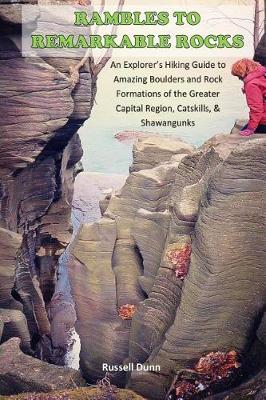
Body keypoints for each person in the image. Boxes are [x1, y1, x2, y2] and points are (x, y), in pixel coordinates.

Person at [231, 58, 266, 136]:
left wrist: (250, 129)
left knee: (239, 136)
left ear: (242, 73)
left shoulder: (251, 85)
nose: (239, 78)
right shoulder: (263, 74)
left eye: (238, 76)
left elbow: (256, 109)